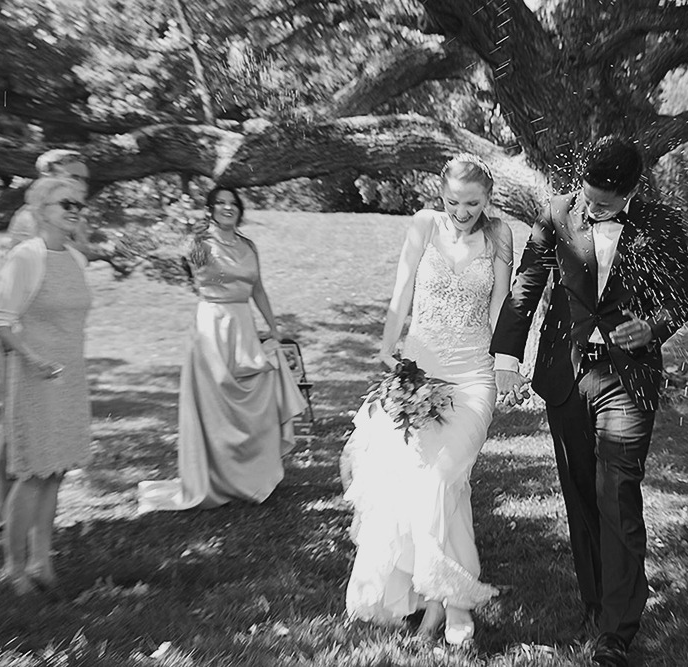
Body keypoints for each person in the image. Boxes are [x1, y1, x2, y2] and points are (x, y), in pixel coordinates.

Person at [490, 136, 688, 667]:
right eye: (590, 195)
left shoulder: (662, 223)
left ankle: (617, 632)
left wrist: (652, 328)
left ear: (632, 191)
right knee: (581, 492)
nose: (593, 207)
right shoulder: (557, 213)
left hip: (628, 379)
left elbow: (678, 299)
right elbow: (528, 281)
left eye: (606, 202)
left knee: (617, 492)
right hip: (566, 375)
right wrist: (506, 356)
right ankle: (597, 601)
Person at [341, 154, 513, 645]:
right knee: (432, 485)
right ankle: (450, 606)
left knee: (441, 477)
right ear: (442, 196)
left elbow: (500, 302)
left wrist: (508, 361)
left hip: (473, 374)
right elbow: (403, 289)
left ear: (488, 199)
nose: (462, 212)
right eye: (454, 201)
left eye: (473, 203)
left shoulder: (500, 234)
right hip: (420, 369)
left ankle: (441, 607)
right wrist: (385, 344)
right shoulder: (422, 224)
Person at [137, 187, 306, 512]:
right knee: (215, 404)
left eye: (233, 204)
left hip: (242, 324)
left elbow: (257, 288)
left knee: (255, 393)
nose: (228, 208)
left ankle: (248, 476)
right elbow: (189, 270)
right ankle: (212, 479)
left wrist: (273, 327)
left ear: (239, 210)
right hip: (212, 324)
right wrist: (189, 234)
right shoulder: (199, 243)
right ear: (210, 209)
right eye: (221, 204)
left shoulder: (248, 246)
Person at [0, 176, 93, 595]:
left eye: (78, 204)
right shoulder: (26, 257)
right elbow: (1, 322)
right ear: (40, 210)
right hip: (35, 376)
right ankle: (13, 569)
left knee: (56, 473)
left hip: (70, 377)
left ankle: (42, 562)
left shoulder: (76, 258)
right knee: (32, 473)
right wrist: (35, 360)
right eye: (64, 203)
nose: (74, 209)